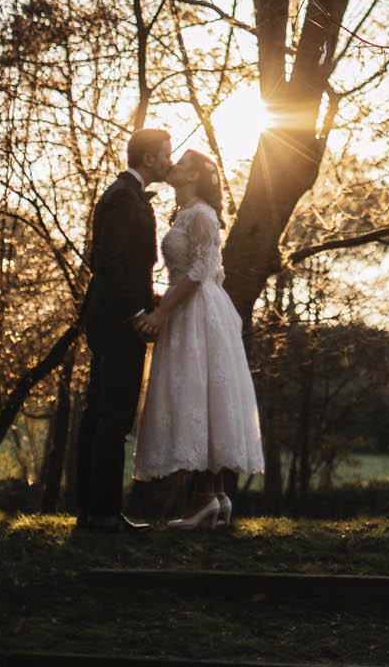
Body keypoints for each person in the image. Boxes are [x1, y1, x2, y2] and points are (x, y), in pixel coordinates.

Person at [133, 150, 264, 526]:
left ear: (193, 177)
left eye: (181, 163)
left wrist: (162, 313)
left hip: (196, 312)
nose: (171, 164)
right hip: (187, 305)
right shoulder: (188, 214)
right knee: (201, 394)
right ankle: (214, 498)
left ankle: (207, 498)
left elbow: (199, 271)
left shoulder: (203, 215)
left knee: (203, 393)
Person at [74, 125, 174, 531]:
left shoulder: (126, 195)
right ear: (149, 158)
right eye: (166, 153)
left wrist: (152, 302)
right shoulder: (122, 197)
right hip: (116, 322)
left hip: (113, 317)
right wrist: (136, 313)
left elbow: (127, 266)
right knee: (112, 417)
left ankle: (94, 510)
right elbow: (107, 262)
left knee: (101, 415)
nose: (170, 160)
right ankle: (102, 513)